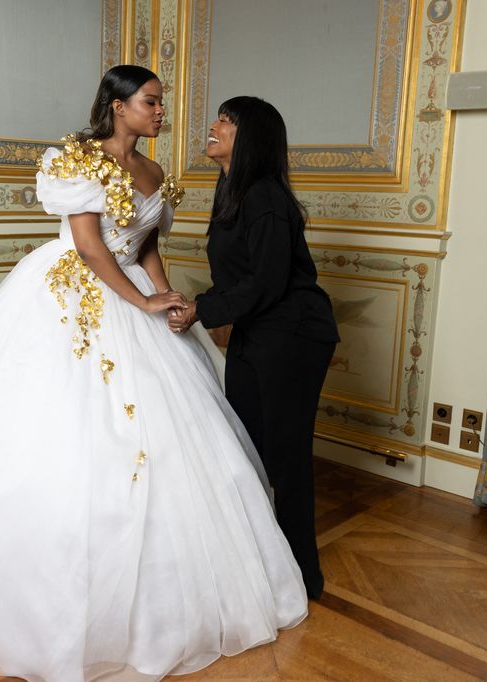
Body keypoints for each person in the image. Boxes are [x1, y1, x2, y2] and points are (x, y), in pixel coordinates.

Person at [0, 67, 308, 681]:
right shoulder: (76, 160)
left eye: (160, 103)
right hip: (67, 296)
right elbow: (92, 247)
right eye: (151, 102)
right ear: (118, 107)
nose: (161, 113)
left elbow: (144, 242)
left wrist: (166, 292)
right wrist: (142, 301)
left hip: (134, 298)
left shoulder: (154, 174)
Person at [168, 96, 340, 600]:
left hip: (293, 336)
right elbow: (244, 279)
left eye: (228, 120)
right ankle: (260, 561)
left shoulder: (264, 196)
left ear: (253, 138)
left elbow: (265, 282)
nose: (214, 125)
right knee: (246, 451)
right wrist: (208, 308)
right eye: (219, 115)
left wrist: (200, 309)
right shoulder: (234, 190)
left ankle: (302, 577)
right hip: (258, 332)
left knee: (284, 459)